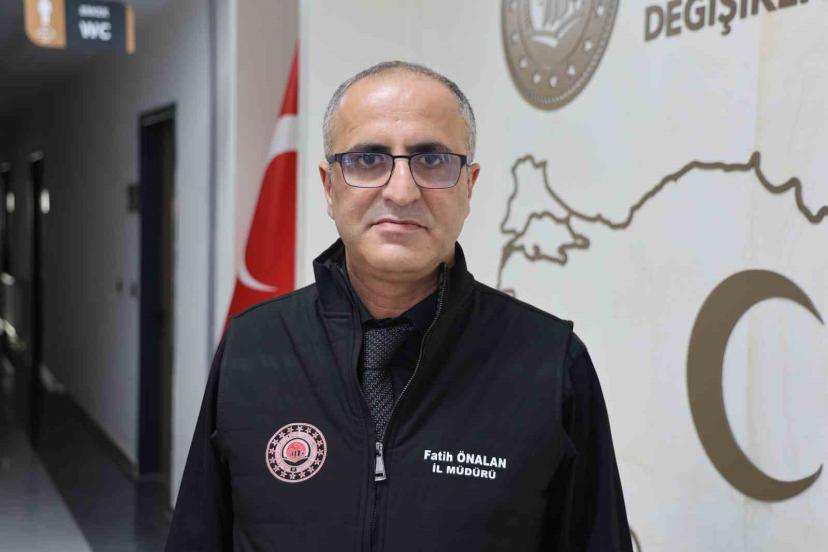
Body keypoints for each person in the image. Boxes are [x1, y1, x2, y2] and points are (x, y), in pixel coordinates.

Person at [166, 61, 632, 551]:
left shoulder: (551, 364)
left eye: (432, 160)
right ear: (329, 187)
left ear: (468, 186)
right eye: (368, 159)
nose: (402, 190)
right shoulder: (252, 347)